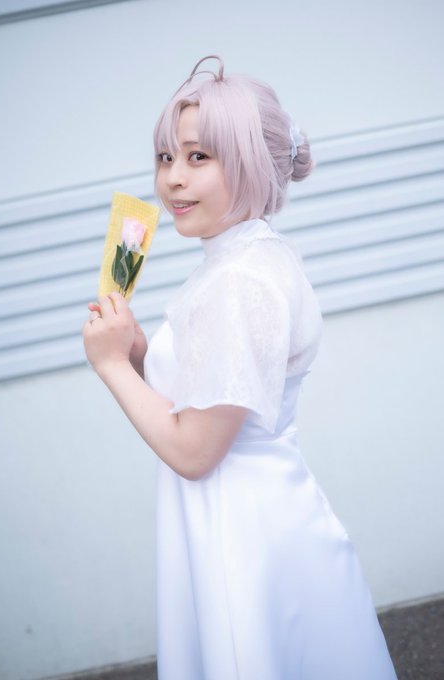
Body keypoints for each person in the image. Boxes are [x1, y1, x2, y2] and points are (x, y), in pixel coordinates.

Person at [83, 55, 398, 680]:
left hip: (241, 535)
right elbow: (204, 401)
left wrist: (111, 364)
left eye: (198, 157)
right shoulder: (246, 259)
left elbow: (196, 450)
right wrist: (141, 357)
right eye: (166, 157)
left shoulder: (240, 282)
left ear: (252, 161)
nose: (172, 179)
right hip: (251, 517)